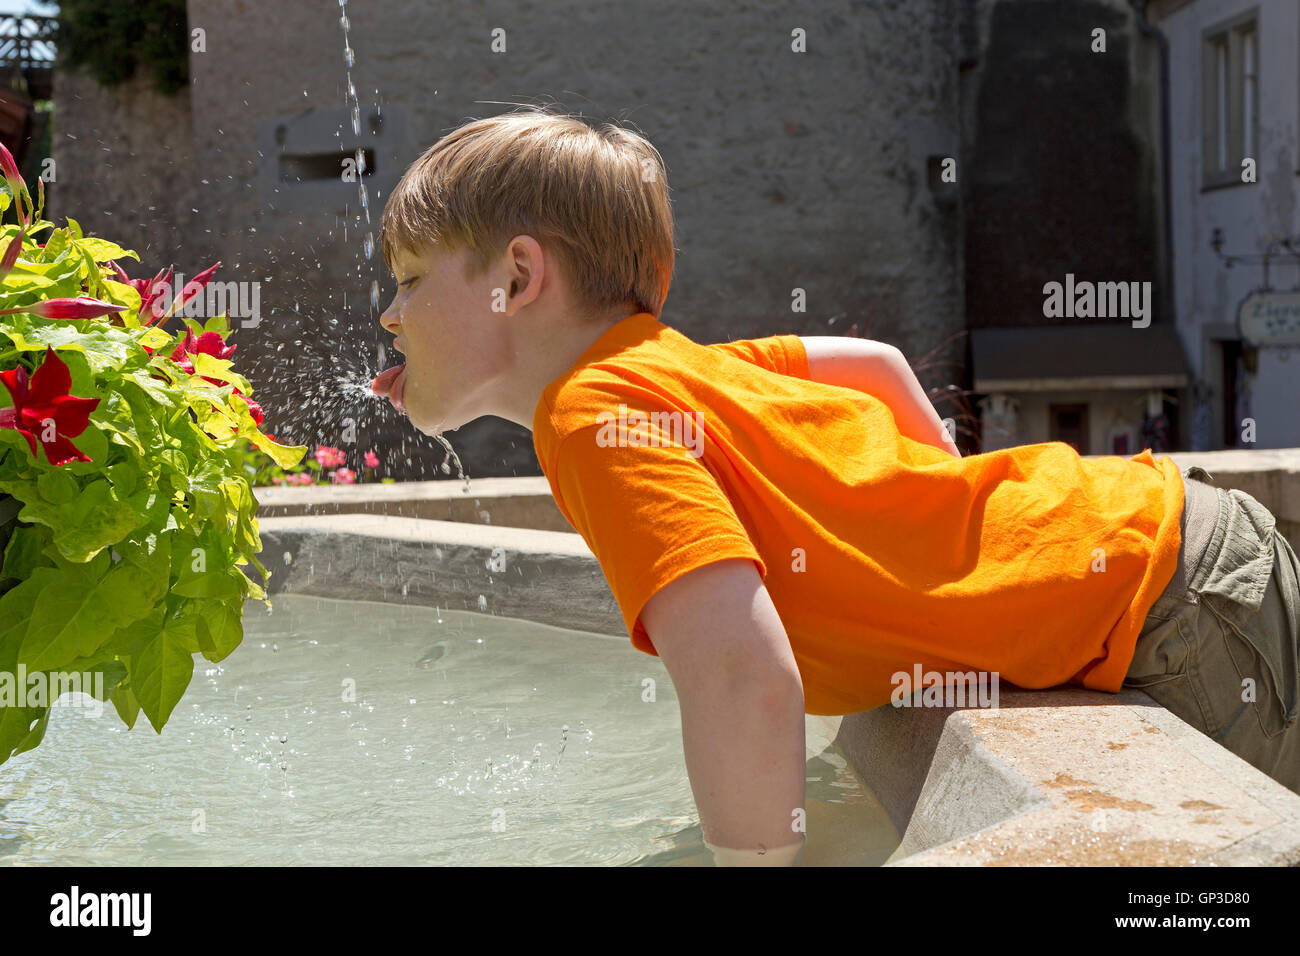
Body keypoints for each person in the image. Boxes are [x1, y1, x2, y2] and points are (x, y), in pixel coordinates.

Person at [371, 106, 1300, 865]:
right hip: (1179, 552)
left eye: (409, 279)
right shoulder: (691, 370)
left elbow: (744, 677)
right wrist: (938, 507)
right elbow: (879, 364)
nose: (390, 310)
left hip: (1179, 606)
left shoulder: (586, 414)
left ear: (519, 276)